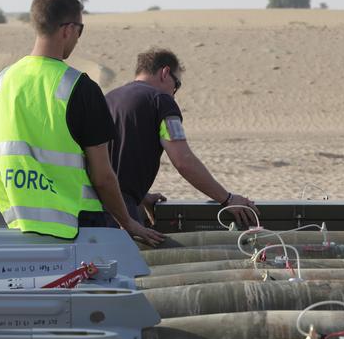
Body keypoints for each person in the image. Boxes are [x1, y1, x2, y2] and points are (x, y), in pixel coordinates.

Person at [0, 0, 163, 246]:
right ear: (68, 29)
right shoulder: (79, 87)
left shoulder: (0, 82)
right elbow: (103, 176)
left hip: (12, 227)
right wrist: (127, 222)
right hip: (75, 231)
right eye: (80, 30)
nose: (78, 38)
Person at [104, 48, 259, 228]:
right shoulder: (160, 101)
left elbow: (108, 158)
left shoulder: (109, 98)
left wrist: (143, 196)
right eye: (176, 85)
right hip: (121, 212)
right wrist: (228, 199)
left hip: (90, 207)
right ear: (165, 73)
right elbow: (183, 161)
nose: (173, 92)